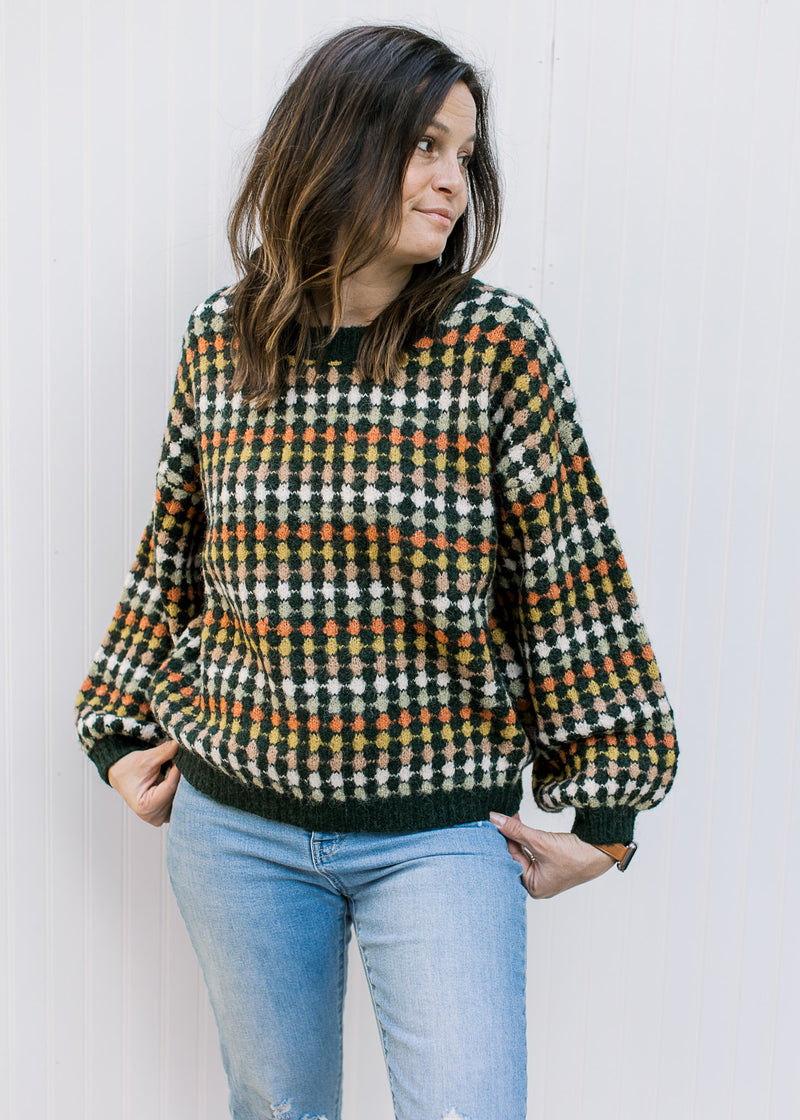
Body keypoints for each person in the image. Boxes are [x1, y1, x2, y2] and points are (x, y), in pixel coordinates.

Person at [75, 24, 678, 1120]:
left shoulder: (495, 345)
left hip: (439, 832)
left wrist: (609, 810)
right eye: (424, 144)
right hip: (236, 824)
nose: (451, 178)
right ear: (336, 140)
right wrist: (117, 734)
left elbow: (569, 577)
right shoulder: (224, 338)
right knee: (277, 1107)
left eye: (464, 155)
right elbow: (174, 553)